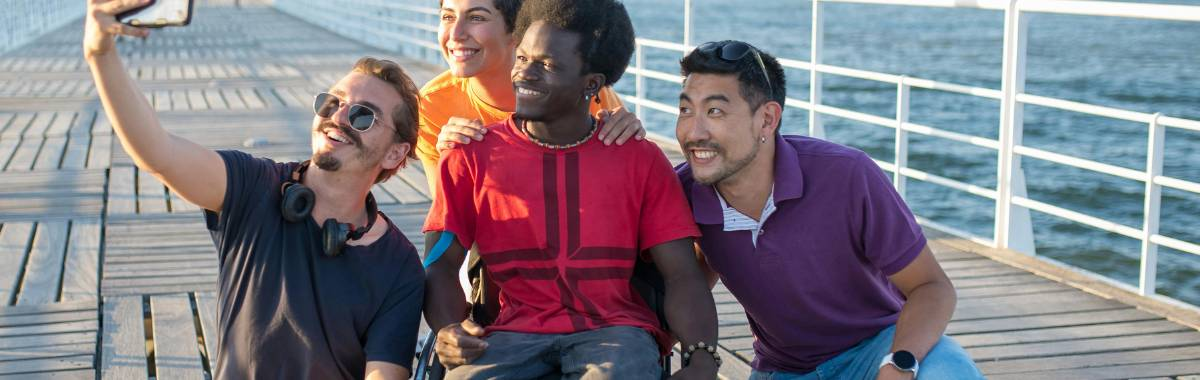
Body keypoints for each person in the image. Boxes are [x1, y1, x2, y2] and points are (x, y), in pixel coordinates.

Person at [84, 2, 424, 379]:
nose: (338, 117)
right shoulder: (253, 187)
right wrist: (100, 54)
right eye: (332, 102)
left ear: (396, 152)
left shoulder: (400, 266)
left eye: (363, 115)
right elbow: (157, 152)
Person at [421, 0, 719, 378]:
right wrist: (448, 329)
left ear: (591, 84)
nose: (524, 74)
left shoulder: (638, 158)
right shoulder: (471, 155)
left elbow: (682, 275)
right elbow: (440, 264)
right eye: (522, 58)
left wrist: (703, 359)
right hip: (510, 333)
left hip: (616, 333)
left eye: (546, 65)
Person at [674, 40, 985, 380]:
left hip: (879, 348)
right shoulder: (682, 193)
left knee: (949, 374)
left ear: (767, 119)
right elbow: (681, 287)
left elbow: (932, 287)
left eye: (715, 111)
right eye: (686, 110)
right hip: (783, 370)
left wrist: (899, 365)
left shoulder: (847, 175)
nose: (694, 131)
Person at [417, 0, 647, 194]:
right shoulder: (432, 105)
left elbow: (618, 191)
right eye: (447, 17)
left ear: (517, 29)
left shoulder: (581, 91)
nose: (455, 34)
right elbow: (449, 221)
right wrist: (452, 163)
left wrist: (628, 132)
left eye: (477, 18)